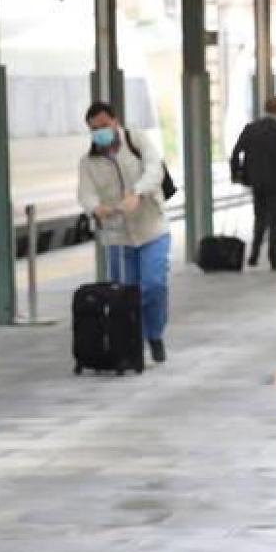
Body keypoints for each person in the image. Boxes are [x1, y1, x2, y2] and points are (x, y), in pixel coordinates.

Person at [77, 102, 173, 363]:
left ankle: (154, 333)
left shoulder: (136, 140)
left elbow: (156, 169)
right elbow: (85, 193)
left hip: (152, 228)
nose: (100, 133)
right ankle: (134, 342)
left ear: (115, 122)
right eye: (94, 129)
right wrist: (96, 208)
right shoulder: (88, 163)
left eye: (104, 126)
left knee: (154, 285)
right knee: (127, 294)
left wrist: (137, 193)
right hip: (118, 237)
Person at [230, 95, 276, 270]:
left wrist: (237, 174)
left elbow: (235, 153)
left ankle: (254, 255)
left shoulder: (250, 129)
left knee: (260, 218)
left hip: (257, 183)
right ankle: (274, 259)